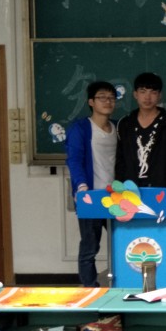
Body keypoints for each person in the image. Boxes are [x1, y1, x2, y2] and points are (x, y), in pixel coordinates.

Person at [66, 81, 117, 286]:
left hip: (117, 196)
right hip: (92, 196)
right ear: (91, 102)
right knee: (90, 247)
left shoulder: (118, 127)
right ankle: (90, 290)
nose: (107, 101)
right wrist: (81, 186)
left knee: (121, 243)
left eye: (111, 98)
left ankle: (120, 284)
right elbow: (74, 160)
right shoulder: (80, 128)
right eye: (102, 97)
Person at [115, 72, 166, 188]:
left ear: (160, 95)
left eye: (153, 92)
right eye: (143, 92)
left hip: (161, 188)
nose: (147, 97)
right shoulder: (125, 123)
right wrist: (120, 186)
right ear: (135, 94)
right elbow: (120, 161)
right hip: (130, 189)